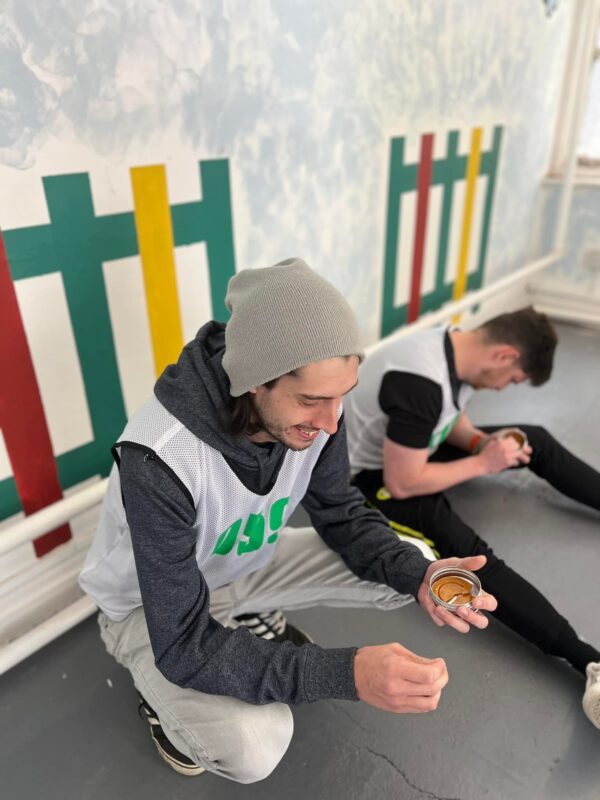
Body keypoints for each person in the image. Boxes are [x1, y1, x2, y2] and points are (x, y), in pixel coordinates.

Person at [79, 258, 497, 782]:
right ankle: (166, 710)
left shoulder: (321, 414)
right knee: (255, 747)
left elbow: (341, 513)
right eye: (311, 400)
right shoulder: (159, 461)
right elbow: (184, 645)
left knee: (415, 564)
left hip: (238, 566)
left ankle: (244, 625)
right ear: (254, 382)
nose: (329, 422)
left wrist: (421, 578)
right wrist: (348, 674)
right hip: (147, 610)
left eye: (342, 394)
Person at [343, 306, 600, 729]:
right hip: (370, 480)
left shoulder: (454, 344)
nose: (505, 388)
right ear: (504, 355)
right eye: (513, 380)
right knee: (471, 559)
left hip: (413, 449)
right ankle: (587, 660)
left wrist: (482, 443)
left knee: (531, 440)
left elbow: (448, 416)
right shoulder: (419, 383)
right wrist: (484, 464)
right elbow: (404, 483)